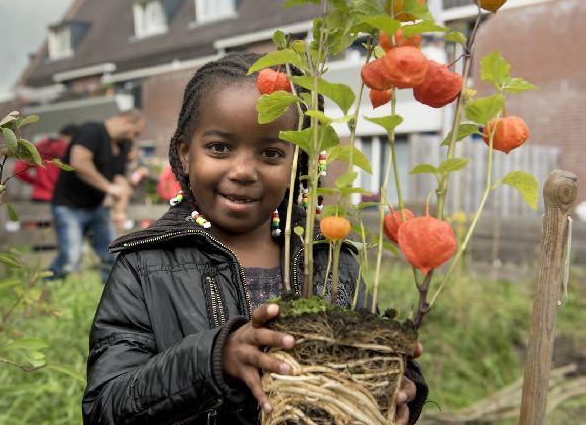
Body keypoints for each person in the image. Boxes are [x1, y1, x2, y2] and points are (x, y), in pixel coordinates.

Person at [82, 53, 427, 424]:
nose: (244, 171)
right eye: (219, 148)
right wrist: (215, 359)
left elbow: (374, 361)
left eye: (270, 153)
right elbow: (106, 407)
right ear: (184, 155)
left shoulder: (331, 260)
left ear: (299, 164)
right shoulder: (145, 268)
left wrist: (402, 388)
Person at [48, 109, 145, 281]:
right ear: (126, 121)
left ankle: (111, 296)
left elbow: (120, 181)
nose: (134, 138)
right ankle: (48, 285)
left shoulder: (123, 145)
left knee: (112, 254)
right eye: (135, 132)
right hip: (68, 206)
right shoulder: (91, 131)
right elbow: (79, 163)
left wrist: (120, 212)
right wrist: (107, 187)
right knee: (70, 257)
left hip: (96, 207)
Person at [12, 123, 77, 202]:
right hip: (61, 197)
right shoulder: (72, 151)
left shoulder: (39, 148)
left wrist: (36, 182)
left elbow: (17, 169)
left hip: (39, 196)